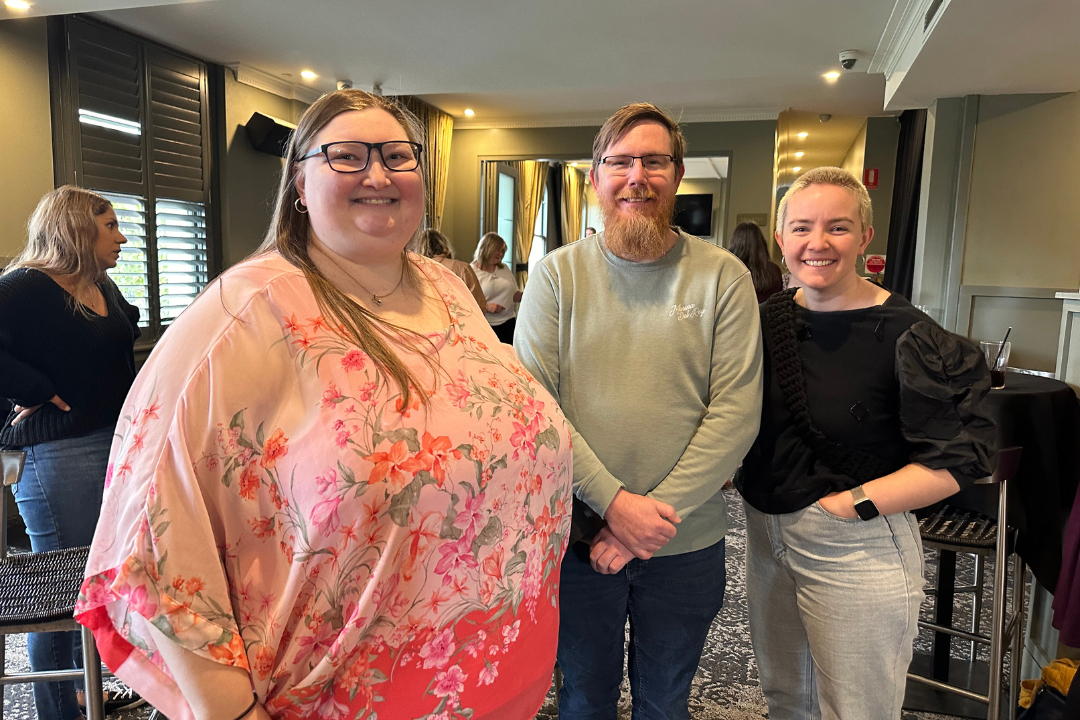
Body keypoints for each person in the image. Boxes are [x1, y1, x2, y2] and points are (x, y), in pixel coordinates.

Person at [76, 89, 573, 720]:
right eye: (345, 155)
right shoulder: (247, 310)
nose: (378, 173)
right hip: (338, 694)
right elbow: (149, 525)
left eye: (398, 155)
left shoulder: (447, 287)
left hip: (502, 679)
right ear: (299, 186)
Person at [515, 102, 763, 720]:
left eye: (654, 161)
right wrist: (618, 509)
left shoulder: (722, 278)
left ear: (677, 175)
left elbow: (736, 413)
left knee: (666, 702)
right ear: (596, 176)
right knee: (583, 699)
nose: (637, 176)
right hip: (577, 539)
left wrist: (647, 523)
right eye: (620, 161)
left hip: (686, 542)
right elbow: (535, 412)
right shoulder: (556, 278)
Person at [737, 166, 996, 719]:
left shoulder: (909, 333)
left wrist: (854, 506)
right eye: (802, 227)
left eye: (838, 227)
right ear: (780, 238)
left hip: (857, 542)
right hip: (765, 536)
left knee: (857, 709)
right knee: (787, 699)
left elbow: (957, 459)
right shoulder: (762, 321)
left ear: (864, 238)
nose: (818, 243)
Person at [0, 186, 143, 720]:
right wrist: (32, 388)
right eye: (110, 226)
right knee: (59, 591)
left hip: (110, 441)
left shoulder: (96, 283)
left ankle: (85, 689)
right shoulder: (25, 288)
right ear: (77, 230)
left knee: (96, 579)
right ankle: (59, 708)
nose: (122, 236)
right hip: (58, 454)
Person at [471, 232, 521, 344]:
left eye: (503, 251)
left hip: (509, 324)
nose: (501, 254)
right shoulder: (471, 272)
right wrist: (487, 306)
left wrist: (529, 294)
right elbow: (466, 301)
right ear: (486, 249)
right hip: (485, 326)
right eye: (497, 250)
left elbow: (514, 295)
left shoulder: (504, 269)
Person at [418, 228, 487, 309]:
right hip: (459, 320)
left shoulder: (411, 271)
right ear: (444, 245)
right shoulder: (462, 269)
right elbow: (479, 304)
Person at [728, 221, 783, 303]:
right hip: (767, 315)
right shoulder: (775, 271)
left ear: (734, 244)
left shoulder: (728, 271)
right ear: (761, 243)